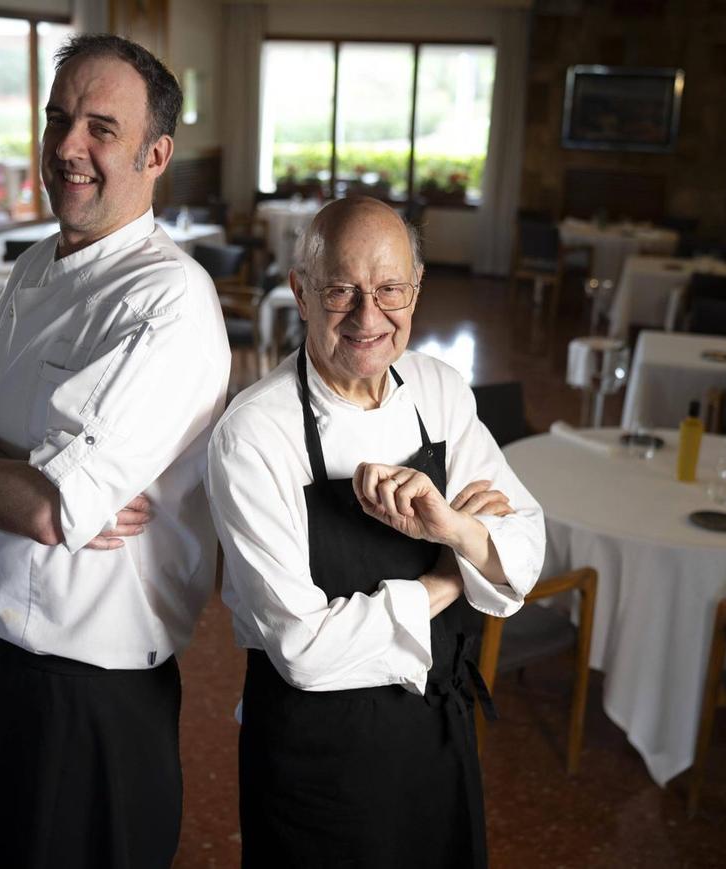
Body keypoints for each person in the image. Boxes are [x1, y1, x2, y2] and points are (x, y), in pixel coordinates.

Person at [0, 34, 230, 869]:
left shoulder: (168, 301)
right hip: (5, 658)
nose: (66, 148)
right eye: (57, 120)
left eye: (100, 127)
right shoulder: (34, 269)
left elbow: (49, 509)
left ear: (156, 153)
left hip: (96, 689)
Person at [206, 196, 545, 868]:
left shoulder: (439, 390)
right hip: (316, 754)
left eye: (391, 288)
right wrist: (448, 577)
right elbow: (303, 650)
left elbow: (526, 547)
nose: (369, 315)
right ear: (301, 292)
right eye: (342, 290)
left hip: (436, 731)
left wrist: (454, 527)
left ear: (416, 290)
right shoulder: (255, 433)